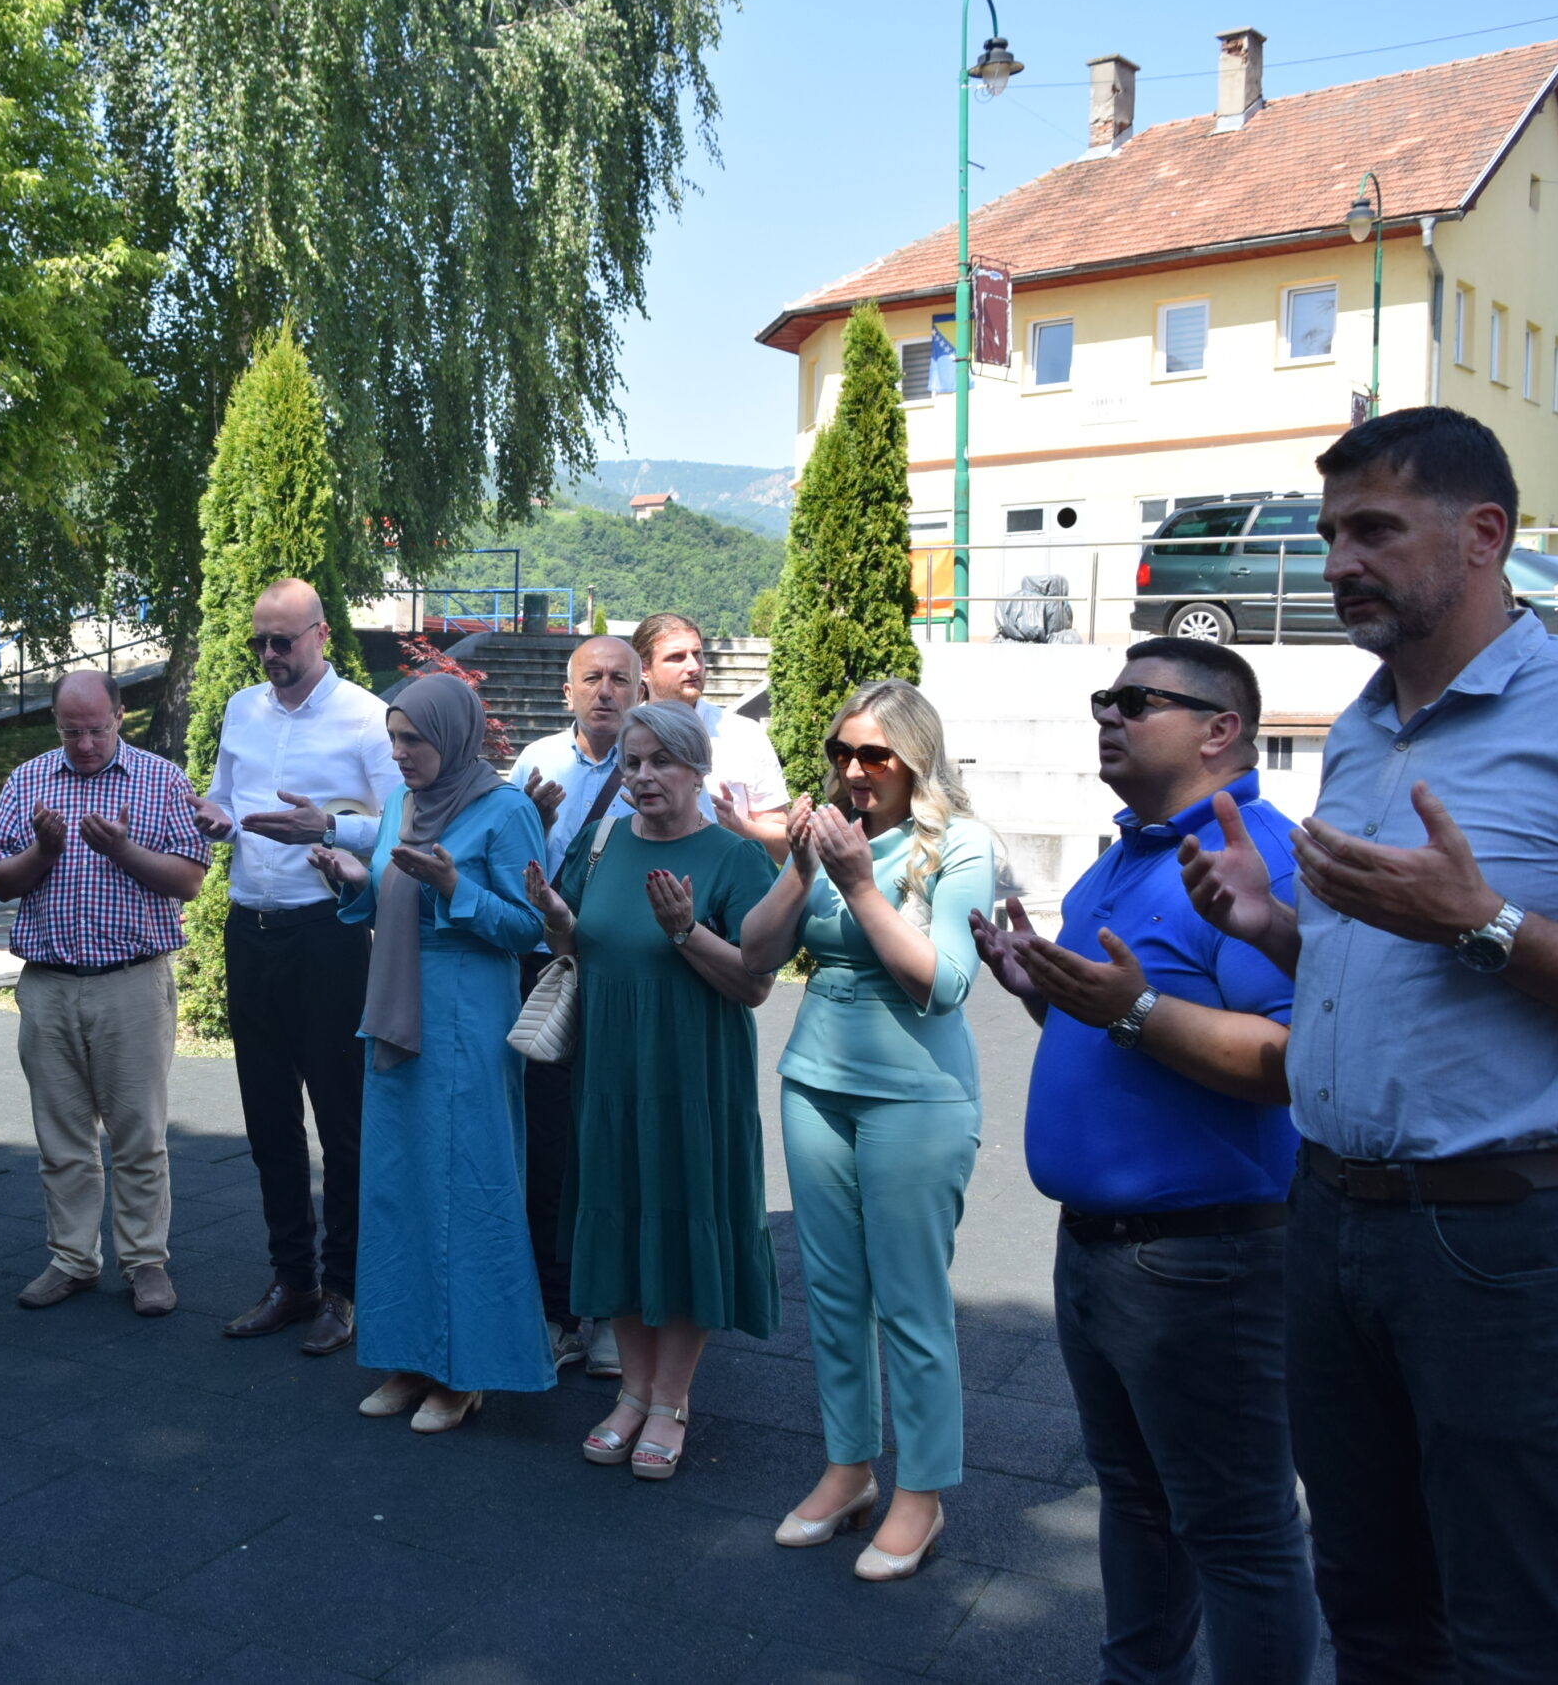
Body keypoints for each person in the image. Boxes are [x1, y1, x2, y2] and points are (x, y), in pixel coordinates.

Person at [1181, 407, 1558, 1682]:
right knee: (1372, 1614)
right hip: (1330, 1220)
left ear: (1484, 534)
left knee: (1521, 1639)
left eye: (1375, 530)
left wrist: (1485, 924)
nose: (1339, 561)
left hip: (1508, 1242)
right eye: (1329, 534)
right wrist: (1274, 928)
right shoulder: (1360, 728)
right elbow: (1382, 973)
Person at [970, 639, 1317, 1683]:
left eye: (1137, 700)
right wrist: (1042, 991)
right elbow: (1120, 1028)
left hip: (1207, 1263)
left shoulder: (1253, 857)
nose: (1108, 715)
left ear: (1221, 730)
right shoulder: (1121, 857)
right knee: (1135, 1500)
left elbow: (1296, 1061)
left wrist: (1131, 1010)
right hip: (1101, 1252)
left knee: (1237, 1528)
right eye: (1103, 698)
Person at [738, 677, 996, 1581]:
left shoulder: (960, 844)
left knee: (912, 1301)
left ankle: (921, 1492)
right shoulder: (828, 838)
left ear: (915, 758)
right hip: (815, 1081)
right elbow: (758, 954)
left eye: (875, 754)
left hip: (916, 1096)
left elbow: (946, 983)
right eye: (841, 752)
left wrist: (856, 882)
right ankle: (848, 1470)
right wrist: (802, 867)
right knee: (834, 1294)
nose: (854, 769)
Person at [524, 700, 780, 1478]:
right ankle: (633, 1394)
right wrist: (555, 916)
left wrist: (686, 932)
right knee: (621, 1219)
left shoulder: (735, 860)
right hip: (609, 1072)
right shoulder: (601, 844)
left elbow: (754, 986)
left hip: (693, 1076)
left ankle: (671, 1401)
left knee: (682, 1217)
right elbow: (576, 946)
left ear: (697, 768)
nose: (642, 776)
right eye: (631, 762)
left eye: (660, 761)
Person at [307, 674, 551, 1431]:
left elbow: (530, 928)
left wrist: (454, 888)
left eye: (413, 739)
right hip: (396, 1014)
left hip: (468, 1018)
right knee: (399, 1187)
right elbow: (389, 899)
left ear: (453, 735)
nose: (400, 752)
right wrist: (353, 882)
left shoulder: (506, 810)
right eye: (393, 738)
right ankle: (410, 1357)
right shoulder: (401, 807)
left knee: (468, 1190)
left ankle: (465, 1371)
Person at [189, 578, 400, 1354]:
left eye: (283, 640)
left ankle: (344, 1287)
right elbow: (223, 798)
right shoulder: (243, 709)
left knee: (342, 1122)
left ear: (322, 635)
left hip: (328, 932)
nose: (270, 654)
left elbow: (404, 823)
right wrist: (213, 819)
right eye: (260, 641)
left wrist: (331, 827)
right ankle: (292, 1278)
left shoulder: (366, 717)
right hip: (251, 927)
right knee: (268, 1117)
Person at [0, 670, 208, 1318]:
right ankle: (73, 1259)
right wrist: (43, 852)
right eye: (70, 732)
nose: (83, 744)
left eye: (96, 730)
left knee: (139, 1136)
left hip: (132, 982)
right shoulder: (27, 780)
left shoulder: (161, 780)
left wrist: (123, 850)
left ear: (120, 716)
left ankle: (145, 1262)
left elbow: (189, 880)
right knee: (61, 1138)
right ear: (56, 723)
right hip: (48, 985)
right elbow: (0, 881)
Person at [507, 634, 644, 1379]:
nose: (605, 691)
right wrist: (524, 818)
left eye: (620, 678)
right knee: (552, 1144)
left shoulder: (657, 761)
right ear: (568, 692)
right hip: (550, 969)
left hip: (628, 975)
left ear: (640, 690)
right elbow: (502, 862)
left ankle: (617, 1314)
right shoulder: (535, 762)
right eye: (592, 678)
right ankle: (559, 1311)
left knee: (620, 1141)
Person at [631, 612, 791, 861]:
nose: (693, 667)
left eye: (697, 654)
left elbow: (785, 847)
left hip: (727, 881)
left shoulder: (744, 735)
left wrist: (737, 826)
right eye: (676, 657)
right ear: (644, 669)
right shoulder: (623, 737)